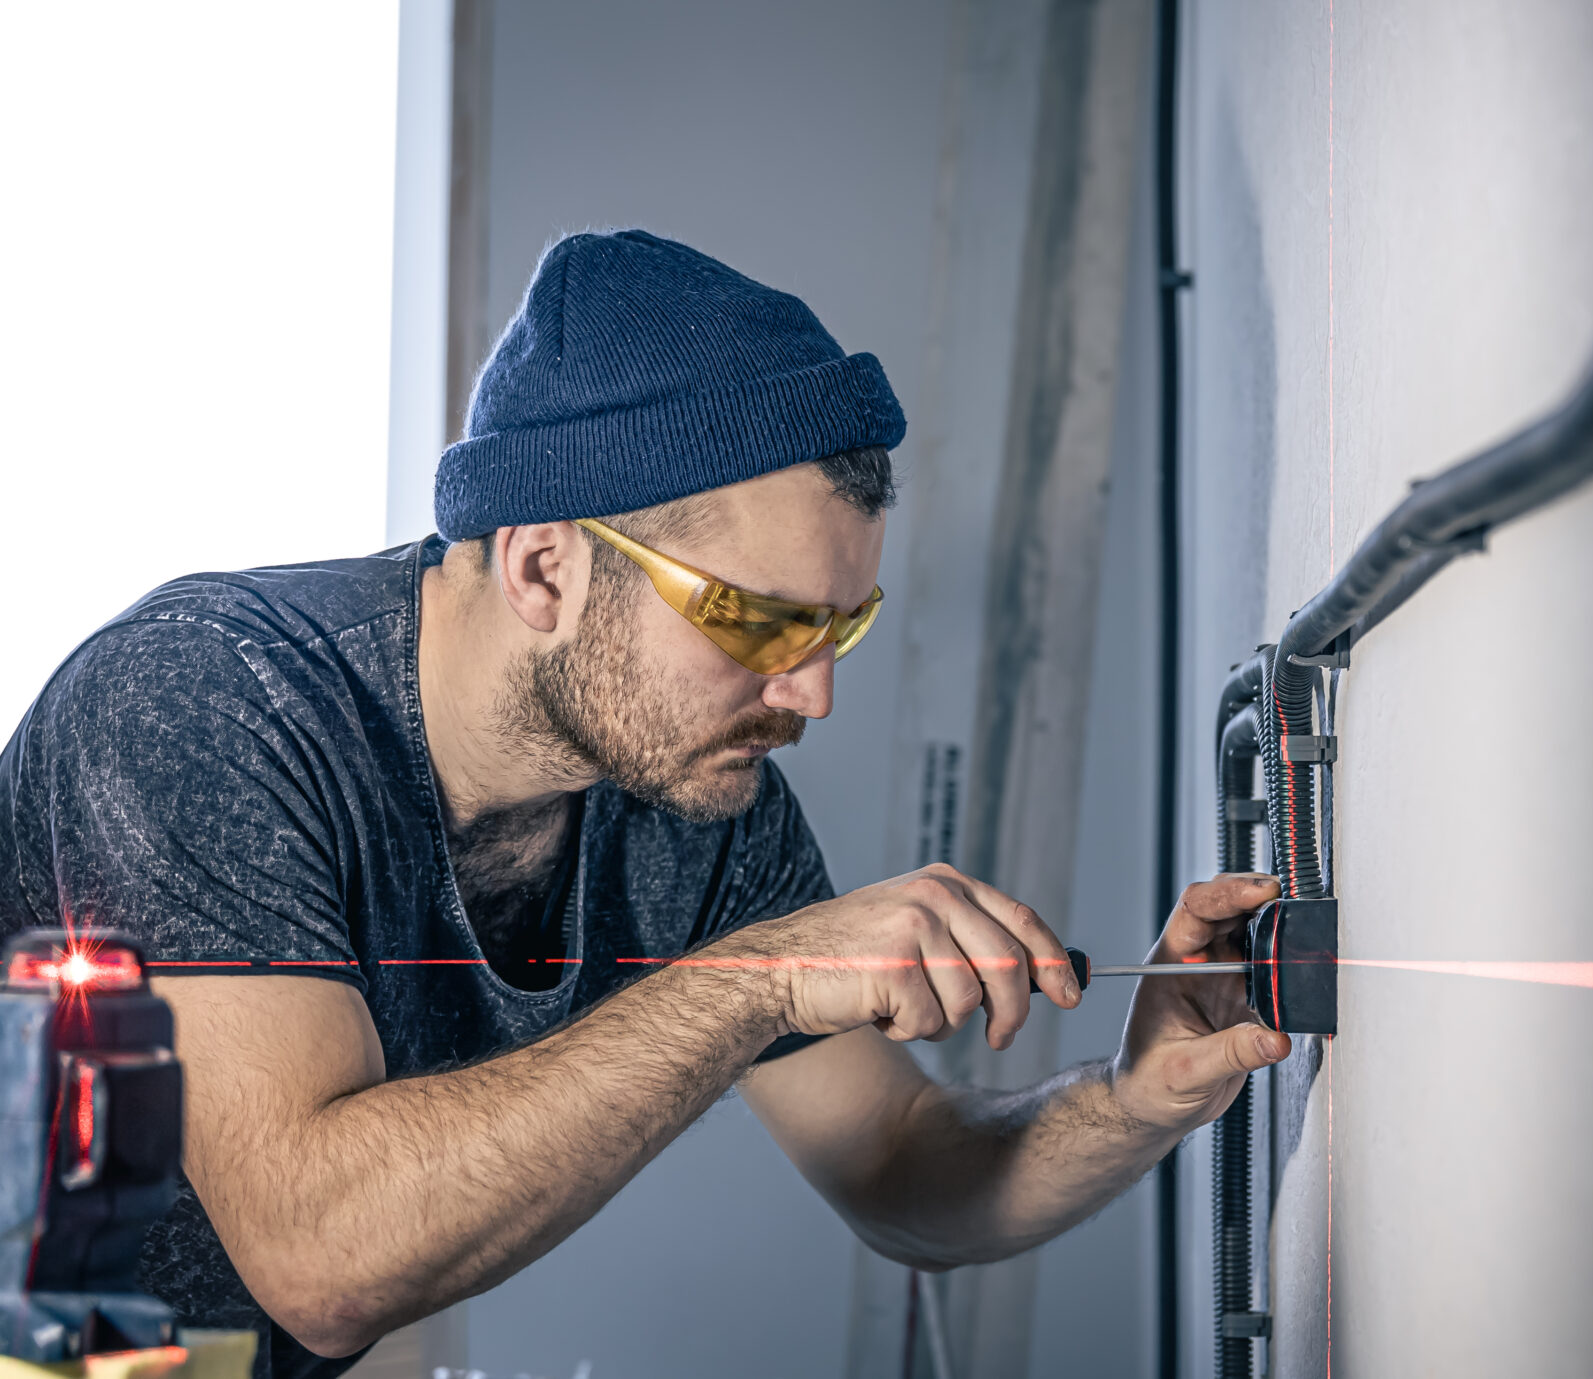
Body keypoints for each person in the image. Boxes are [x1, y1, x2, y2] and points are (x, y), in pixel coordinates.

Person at [0, 230, 1289, 1379]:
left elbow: (899, 1166)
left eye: (843, 626)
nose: (812, 693)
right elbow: (323, 1258)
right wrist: (755, 980)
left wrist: (1130, 1101)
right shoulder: (210, 704)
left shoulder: (693, 798)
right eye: (758, 620)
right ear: (546, 567)